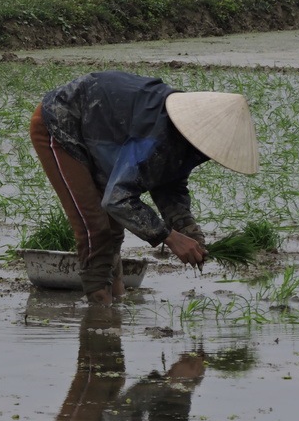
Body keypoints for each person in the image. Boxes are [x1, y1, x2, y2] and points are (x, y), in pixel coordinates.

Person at [30, 71, 259, 305]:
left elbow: (169, 182)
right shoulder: (154, 134)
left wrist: (186, 227)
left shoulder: (184, 139)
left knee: (113, 231)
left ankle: (115, 305)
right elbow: (117, 200)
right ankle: (99, 315)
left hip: (100, 131)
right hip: (62, 123)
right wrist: (169, 237)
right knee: (95, 230)